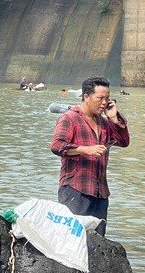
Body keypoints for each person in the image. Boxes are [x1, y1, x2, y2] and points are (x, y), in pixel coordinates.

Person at [50, 76, 130, 236]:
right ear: (86, 96)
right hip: (75, 190)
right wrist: (86, 149)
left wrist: (114, 117)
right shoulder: (70, 118)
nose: (104, 103)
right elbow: (56, 145)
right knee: (71, 238)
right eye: (100, 98)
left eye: (107, 98)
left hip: (100, 193)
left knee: (98, 242)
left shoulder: (105, 123)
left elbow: (123, 141)